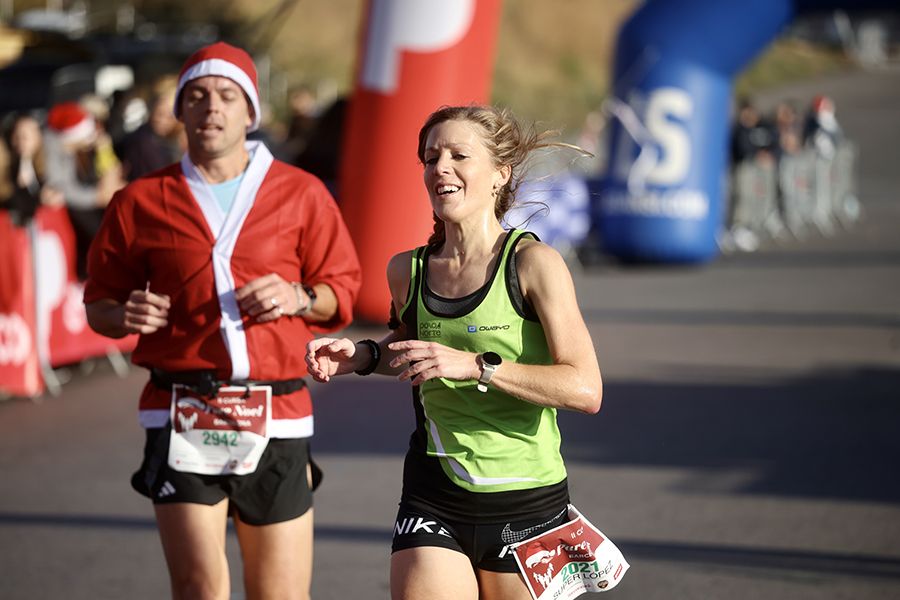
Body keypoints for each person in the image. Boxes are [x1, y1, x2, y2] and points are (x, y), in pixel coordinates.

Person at [83, 42, 362, 600]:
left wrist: (299, 296)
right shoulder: (139, 200)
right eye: (198, 96)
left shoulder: (301, 192)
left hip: (276, 412)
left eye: (227, 96)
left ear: (250, 112)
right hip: (182, 409)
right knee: (197, 588)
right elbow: (100, 307)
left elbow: (342, 294)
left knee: (279, 594)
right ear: (180, 111)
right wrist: (125, 313)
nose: (212, 106)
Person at [306, 105, 602, 600]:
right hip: (434, 492)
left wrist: (476, 367)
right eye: (429, 158)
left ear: (499, 174)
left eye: (458, 155)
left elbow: (584, 388)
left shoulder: (534, 265)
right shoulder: (409, 271)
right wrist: (360, 356)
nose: (439, 167)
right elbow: (410, 348)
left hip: (526, 500)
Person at [1, 113, 64, 226]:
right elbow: (12, 204)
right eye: (17, 135)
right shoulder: (8, 162)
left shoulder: (46, 160)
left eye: (27, 136)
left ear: (37, 138)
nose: (21, 140)